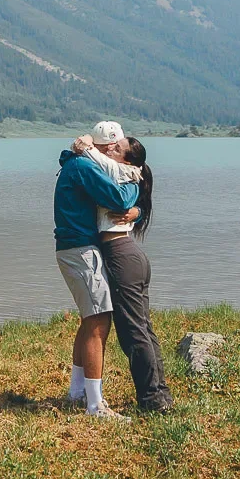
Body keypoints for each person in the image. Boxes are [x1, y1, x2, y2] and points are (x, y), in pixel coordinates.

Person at [77, 133, 173, 413]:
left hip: (121, 255)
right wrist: (138, 212)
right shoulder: (126, 173)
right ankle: (159, 394)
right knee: (144, 329)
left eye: (117, 148)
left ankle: (152, 400)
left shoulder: (120, 172)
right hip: (131, 255)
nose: (110, 148)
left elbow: (97, 161)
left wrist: (86, 146)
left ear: (126, 159)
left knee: (133, 332)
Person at [53, 120, 139, 420]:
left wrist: (135, 211)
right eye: (113, 150)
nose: (117, 156)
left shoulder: (81, 163)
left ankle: (78, 392)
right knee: (99, 319)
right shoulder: (86, 167)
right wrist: (134, 187)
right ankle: (95, 405)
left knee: (90, 320)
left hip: (76, 247)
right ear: (100, 149)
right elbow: (117, 199)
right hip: (80, 249)